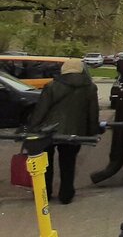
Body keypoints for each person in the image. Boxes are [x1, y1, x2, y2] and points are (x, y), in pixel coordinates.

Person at [28, 58, 100, 204]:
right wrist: (93, 131)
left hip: (48, 131)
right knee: (68, 163)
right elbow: (93, 113)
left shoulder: (51, 86)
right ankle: (66, 194)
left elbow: (41, 110)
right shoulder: (90, 88)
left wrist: (32, 128)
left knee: (45, 164)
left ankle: (45, 193)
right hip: (75, 132)